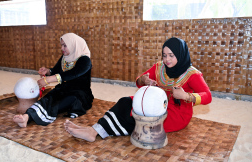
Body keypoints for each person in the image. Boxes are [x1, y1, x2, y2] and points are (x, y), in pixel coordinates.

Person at [64, 37, 212, 142]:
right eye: (165, 55)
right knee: (125, 102)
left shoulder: (192, 74)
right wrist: (144, 80)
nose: (167, 60)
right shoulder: (160, 67)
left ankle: (94, 132)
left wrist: (186, 96)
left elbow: (208, 96)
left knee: (138, 117)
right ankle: (94, 130)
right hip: (154, 102)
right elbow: (140, 80)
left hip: (176, 113)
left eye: (172, 56)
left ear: (181, 54)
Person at [13, 33, 94, 127]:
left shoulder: (85, 60)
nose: (62, 48)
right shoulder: (65, 58)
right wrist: (47, 71)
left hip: (80, 94)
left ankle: (30, 117)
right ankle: (27, 117)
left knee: (62, 102)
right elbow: (55, 71)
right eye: (61, 45)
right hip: (64, 89)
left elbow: (72, 74)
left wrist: (49, 80)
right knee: (48, 98)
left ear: (73, 45)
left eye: (65, 45)